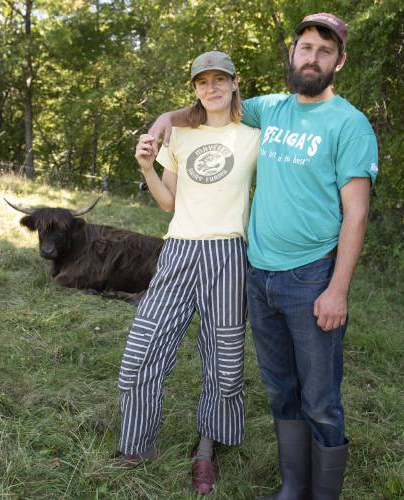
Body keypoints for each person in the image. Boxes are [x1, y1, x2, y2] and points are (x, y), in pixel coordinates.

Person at [148, 13, 378, 500]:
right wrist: (164, 120)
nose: (312, 57)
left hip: (312, 276)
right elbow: (210, 103)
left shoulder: (350, 124)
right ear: (291, 54)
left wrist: (337, 289)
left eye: (324, 50)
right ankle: (293, 484)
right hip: (258, 274)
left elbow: (355, 215)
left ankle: (325, 493)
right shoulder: (269, 109)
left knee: (319, 397)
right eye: (305, 48)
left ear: (340, 60)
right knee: (279, 389)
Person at [115, 51, 260, 496]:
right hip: (178, 251)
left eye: (220, 79)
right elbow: (167, 203)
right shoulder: (180, 137)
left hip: (230, 253)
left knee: (225, 362)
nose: (211, 88)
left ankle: (206, 450)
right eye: (202, 82)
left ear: (235, 83)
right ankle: (137, 446)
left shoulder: (255, 135)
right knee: (142, 350)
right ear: (194, 89)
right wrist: (145, 165)